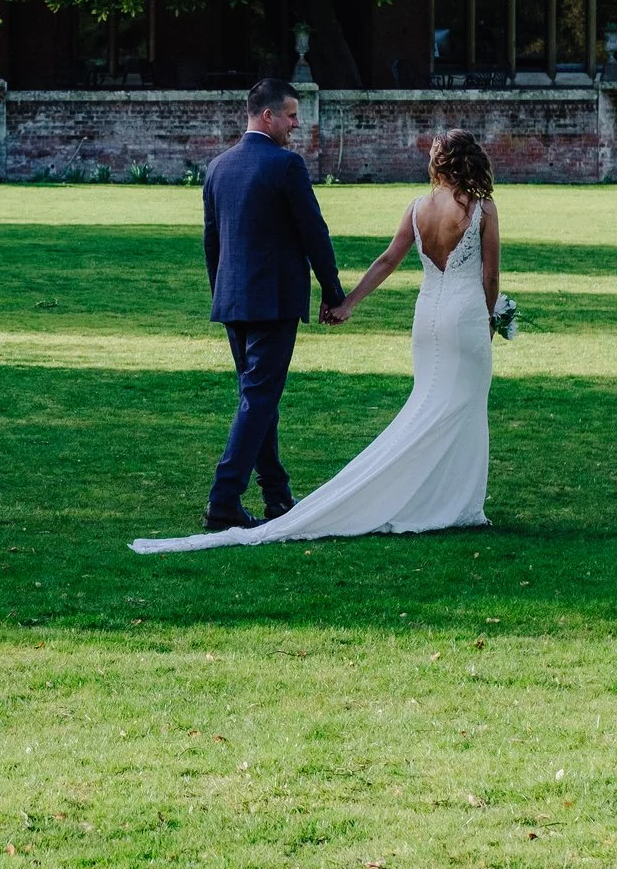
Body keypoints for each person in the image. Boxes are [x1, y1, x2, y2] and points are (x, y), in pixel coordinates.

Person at [133, 128, 497, 553]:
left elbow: (386, 261)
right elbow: (489, 276)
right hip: (464, 314)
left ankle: (285, 493)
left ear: (439, 163)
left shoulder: (417, 209)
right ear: (470, 159)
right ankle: (457, 503)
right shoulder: (482, 209)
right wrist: (492, 314)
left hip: (425, 318)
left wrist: (347, 305)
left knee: (428, 402)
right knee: (463, 406)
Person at [178, 77, 347, 534]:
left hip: (233, 299)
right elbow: (315, 235)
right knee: (259, 397)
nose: (297, 123)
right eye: (291, 115)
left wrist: (222, 293)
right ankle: (224, 499)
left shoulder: (217, 167)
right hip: (274, 301)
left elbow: (212, 242)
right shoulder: (286, 166)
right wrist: (335, 296)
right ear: (267, 115)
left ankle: (276, 494)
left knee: (257, 398)